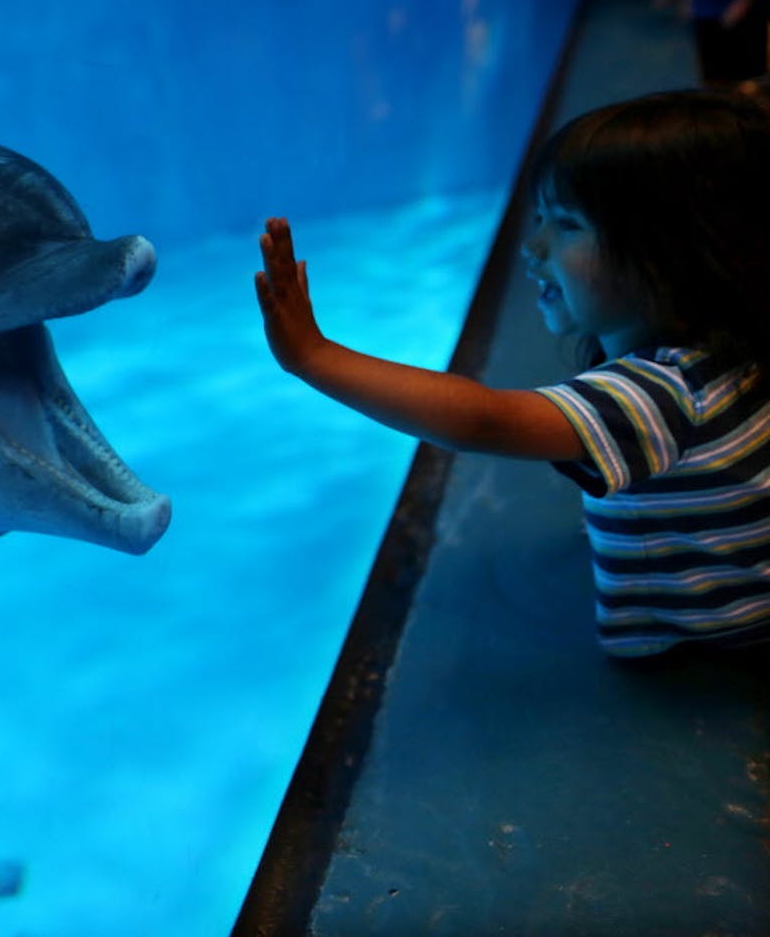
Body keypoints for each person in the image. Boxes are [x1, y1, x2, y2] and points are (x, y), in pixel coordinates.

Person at [254, 89, 770, 660]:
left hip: (715, 638)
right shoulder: (725, 346)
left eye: (568, 225)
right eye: (542, 218)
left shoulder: (666, 393)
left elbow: (485, 420)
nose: (534, 245)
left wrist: (315, 357)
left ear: (673, 257)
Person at [652, 0, 770, 89]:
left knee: (747, 79)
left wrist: (744, 1)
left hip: (740, 11)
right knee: (711, 77)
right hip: (704, 8)